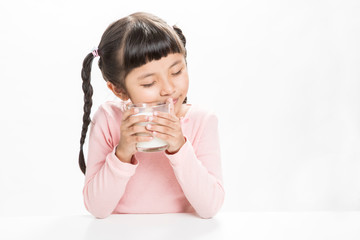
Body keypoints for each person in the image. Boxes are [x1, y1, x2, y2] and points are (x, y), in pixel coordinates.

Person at [79, 12, 224, 219]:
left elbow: (210, 208)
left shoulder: (202, 121)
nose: (168, 89)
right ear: (119, 90)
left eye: (176, 72)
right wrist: (122, 153)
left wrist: (179, 147)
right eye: (149, 83)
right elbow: (97, 209)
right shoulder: (108, 120)